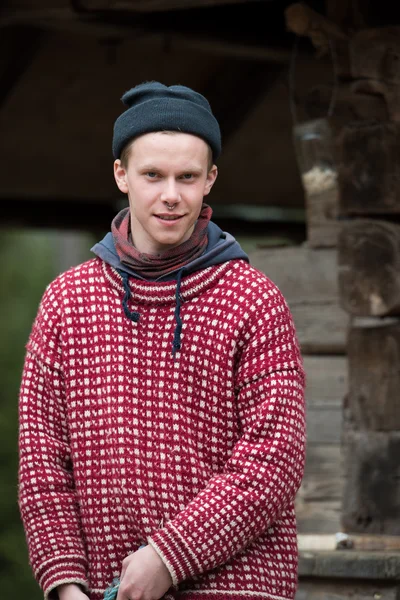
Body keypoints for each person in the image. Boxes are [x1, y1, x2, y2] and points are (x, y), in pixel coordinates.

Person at [18, 81, 306, 600]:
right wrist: (65, 584)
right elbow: (42, 458)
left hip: (237, 587)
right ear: (121, 174)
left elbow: (274, 458)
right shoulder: (67, 301)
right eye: (153, 175)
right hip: (104, 589)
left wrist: (169, 556)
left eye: (187, 177)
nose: (171, 195)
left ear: (210, 180)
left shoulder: (254, 299)